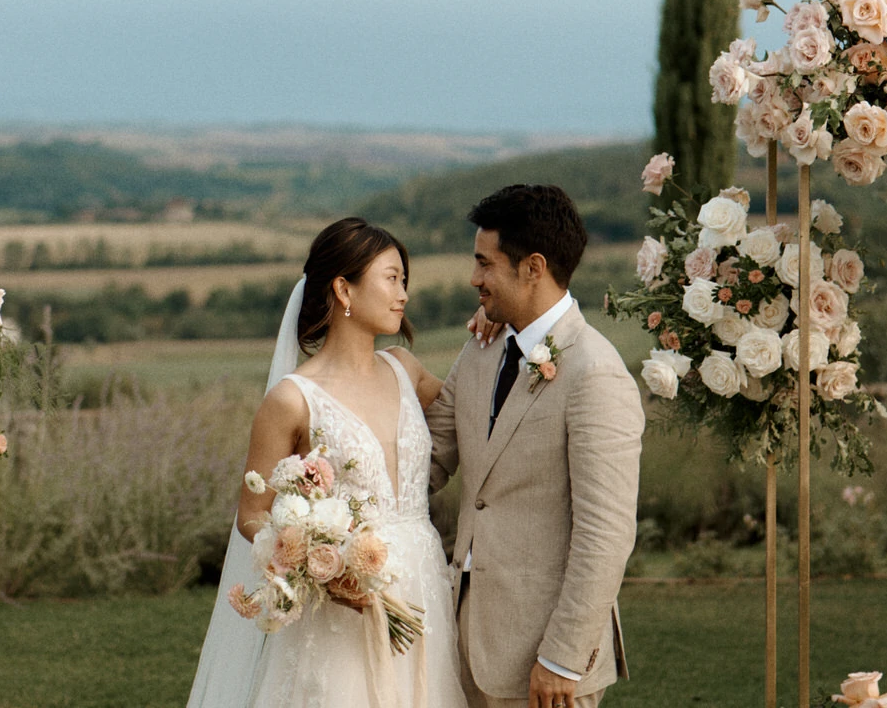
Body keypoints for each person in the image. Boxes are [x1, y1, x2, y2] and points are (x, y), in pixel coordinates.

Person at [187, 217, 466, 708]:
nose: (403, 293)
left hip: (423, 587)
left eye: (405, 280)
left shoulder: (406, 369)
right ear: (344, 289)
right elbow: (252, 513)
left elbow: (470, 412)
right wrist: (319, 559)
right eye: (392, 277)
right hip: (342, 612)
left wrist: (487, 338)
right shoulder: (293, 400)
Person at [427, 184, 645, 708]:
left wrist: (563, 658)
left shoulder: (595, 372)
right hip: (462, 644)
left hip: (546, 667)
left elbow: (607, 533)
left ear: (533, 267)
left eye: (485, 263)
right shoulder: (481, 349)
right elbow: (429, 457)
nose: (473, 278)